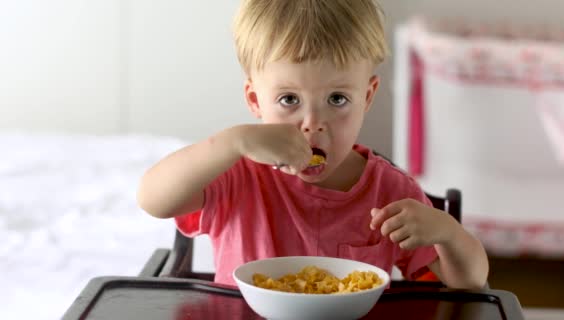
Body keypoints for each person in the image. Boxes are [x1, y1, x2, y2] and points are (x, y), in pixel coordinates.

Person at [137, 0, 488, 288]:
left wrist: (450, 234)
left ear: (367, 97)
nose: (312, 124)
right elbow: (153, 200)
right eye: (289, 99)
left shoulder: (391, 191)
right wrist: (232, 142)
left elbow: (469, 286)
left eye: (337, 99)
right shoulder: (235, 174)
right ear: (255, 100)